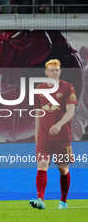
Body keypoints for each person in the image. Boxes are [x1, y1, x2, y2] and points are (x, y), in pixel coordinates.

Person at [30, 59, 77, 210]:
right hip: (44, 137)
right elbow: (37, 113)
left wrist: (59, 124)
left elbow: (71, 111)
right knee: (42, 165)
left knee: (63, 168)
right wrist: (37, 136)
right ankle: (40, 200)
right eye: (51, 70)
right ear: (46, 72)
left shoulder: (67, 87)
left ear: (60, 71)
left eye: (57, 70)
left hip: (62, 136)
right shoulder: (40, 89)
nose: (54, 72)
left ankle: (63, 201)